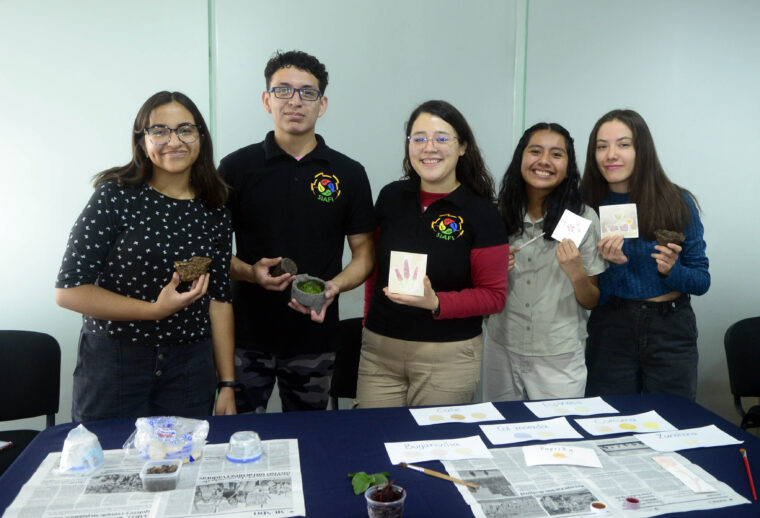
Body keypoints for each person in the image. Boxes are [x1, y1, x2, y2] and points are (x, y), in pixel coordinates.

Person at [55, 91, 236, 421]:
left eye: (185, 129)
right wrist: (153, 311)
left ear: (201, 136)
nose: (174, 141)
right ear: (141, 141)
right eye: (159, 131)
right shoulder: (115, 195)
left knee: (183, 464)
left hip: (190, 365)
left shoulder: (215, 207)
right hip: (116, 360)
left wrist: (227, 384)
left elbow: (220, 299)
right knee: (108, 465)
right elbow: (69, 291)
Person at [218, 50, 376, 413]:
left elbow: (364, 254)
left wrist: (335, 286)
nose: (294, 101)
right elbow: (211, 252)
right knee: (240, 439)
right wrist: (249, 273)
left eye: (307, 92)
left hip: (315, 336)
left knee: (310, 439)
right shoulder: (236, 168)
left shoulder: (348, 173)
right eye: (283, 90)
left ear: (322, 105)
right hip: (246, 337)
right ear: (266, 100)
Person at [356, 100, 508, 408]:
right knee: (374, 442)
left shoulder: (481, 213)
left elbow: (494, 297)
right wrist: (368, 323)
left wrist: (436, 302)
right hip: (380, 351)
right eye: (419, 138)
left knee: (434, 448)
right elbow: (375, 271)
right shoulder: (391, 197)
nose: (429, 147)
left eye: (441, 138)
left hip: (447, 356)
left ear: (463, 146)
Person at [581, 109, 710, 400]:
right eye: (602, 146)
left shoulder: (677, 201)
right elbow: (589, 297)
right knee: (609, 422)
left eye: (623, 145)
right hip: (610, 326)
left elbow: (702, 281)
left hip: (670, 328)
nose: (611, 154)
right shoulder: (585, 206)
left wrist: (672, 270)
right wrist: (613, 266)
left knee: (672, 422)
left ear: (642, 150)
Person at [483, 123, 606, 401]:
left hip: (558, 355)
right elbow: (477, 289)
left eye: (556, 154)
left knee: (558, 441)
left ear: (568, 166)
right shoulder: (497, 213)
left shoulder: (583, 218)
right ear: (521, 158)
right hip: (502, 347)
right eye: (535, 151)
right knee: (500, 434)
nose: (544, 161)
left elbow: (591, 300)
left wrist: (576, 272)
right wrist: (492, 273)